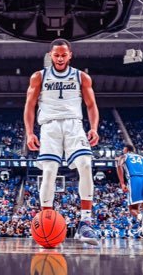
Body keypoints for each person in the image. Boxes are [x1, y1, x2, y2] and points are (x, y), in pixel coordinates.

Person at [24, 38, 100, 246]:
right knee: (49, 171)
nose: (59, 58)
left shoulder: (81, 77)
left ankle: (85, 223)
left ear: (70, 55)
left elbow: (91, 105)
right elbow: (29, 106)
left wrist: (93, 128)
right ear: (51, 56)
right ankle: (46, 220)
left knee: (85, 165)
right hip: (49, 126)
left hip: (74, 125)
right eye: (56, 55)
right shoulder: (39, 77)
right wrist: (30, 133)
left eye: (63, 55)